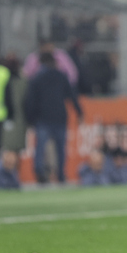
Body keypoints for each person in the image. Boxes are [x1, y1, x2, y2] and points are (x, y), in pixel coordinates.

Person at [23, 52, 83, 183]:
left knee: (40, 148)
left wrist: (30, 119)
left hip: (42, 118)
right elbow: (72, 95)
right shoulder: (61, 76)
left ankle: (40, 173)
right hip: (59, 117)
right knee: (60, 149)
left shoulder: (36, 78)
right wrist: (79, 112)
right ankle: (61, 175)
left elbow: (30, 101)